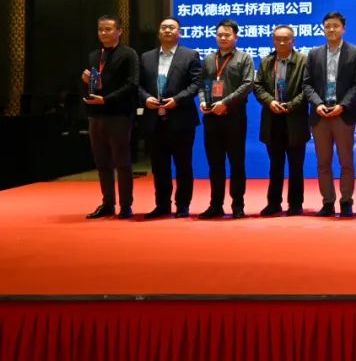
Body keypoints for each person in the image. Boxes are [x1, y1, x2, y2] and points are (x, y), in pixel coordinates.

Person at [137, 16, 202, 219]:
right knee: (159, 167)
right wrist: (145, 98)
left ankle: (183, 205)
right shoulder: (146, 57)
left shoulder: (190, 55)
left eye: (172, 27)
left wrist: (177, 100)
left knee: (183, 165)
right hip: (154, 119)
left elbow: (196, 84)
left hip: (181, 119)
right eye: (163, 27)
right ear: (159, 32)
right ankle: (162, 205)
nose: (167, 30)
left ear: (179, 33)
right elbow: (137, 85)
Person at [303, 12, 356, 217]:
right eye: (328, 26)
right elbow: (307, 84)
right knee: (323, 162)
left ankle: (346, 201)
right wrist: (318, 104)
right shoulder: (314, 54)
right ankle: (328, 202)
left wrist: (343, 105)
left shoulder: (355, 52)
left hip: (343, 114)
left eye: (336, 26)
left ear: (343, 29)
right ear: (323, 29)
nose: (331, 29)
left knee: (346, 161)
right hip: (320, 114)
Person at [81, 14, 139, 219]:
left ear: (119, 31)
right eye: (100, 29)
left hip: (119, 115)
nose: (103, 33)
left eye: (108, 29)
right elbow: (95, 84)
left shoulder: (128, 54)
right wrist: (86, 81)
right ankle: (107, 203)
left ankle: (125, 205)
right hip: (95, 115)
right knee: (102, 163)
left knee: (122, 162)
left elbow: (132, 84)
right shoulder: (94, 55)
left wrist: (106, 100)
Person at [197, 18, 255, 220]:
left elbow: (248, 85)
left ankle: (238, 205)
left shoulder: (244, 58)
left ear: (235, 37)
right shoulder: (208, 59)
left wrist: (225, 103)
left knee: (237, 163)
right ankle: (216, 205)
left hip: (234, 117)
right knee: (215, 164)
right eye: (220, 34)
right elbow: (202, 84)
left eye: (227, 35)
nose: (223, 38)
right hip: (212, 117)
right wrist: (203, 101)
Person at [253, 25, 310, 217]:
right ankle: (273, 203)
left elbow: (308, 88)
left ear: (293, 41)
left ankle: (296, 204)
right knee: (275, 165)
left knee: (296, 165)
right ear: (273, 41)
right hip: (273, 118)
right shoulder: (266, 61)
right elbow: (258, 86)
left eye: (286, 39)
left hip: (295, 119)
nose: (282, 42)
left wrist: (292, 105)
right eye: (278, 39)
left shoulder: (303, 61)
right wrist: (270, 102)